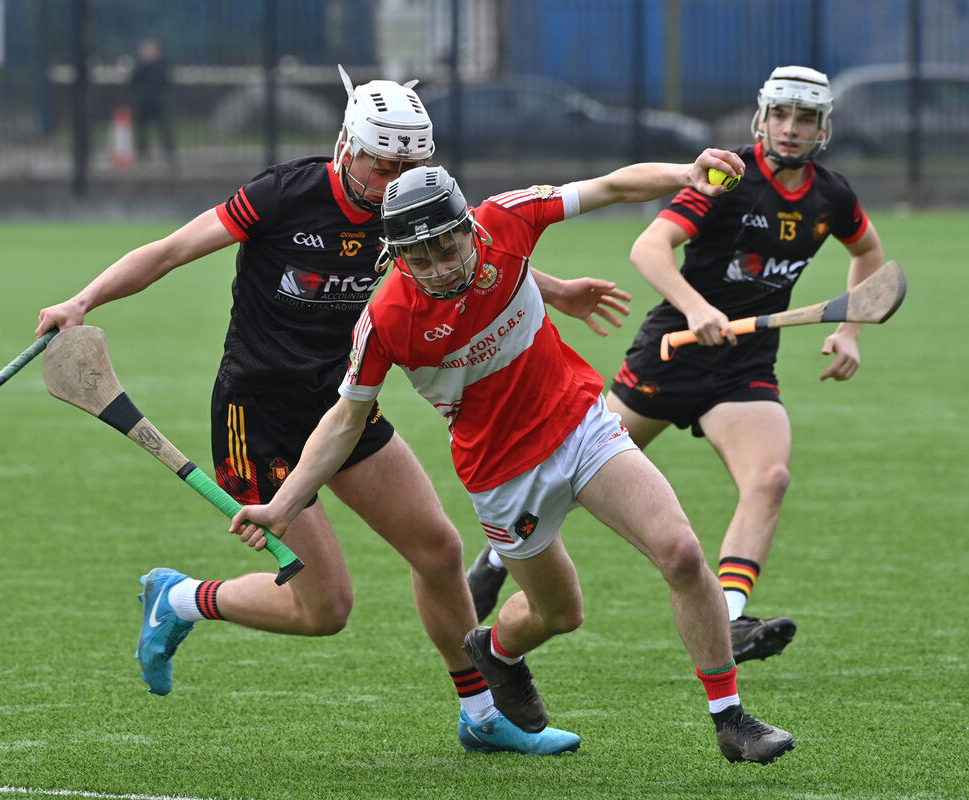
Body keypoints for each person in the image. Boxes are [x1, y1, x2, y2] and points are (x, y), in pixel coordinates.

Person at [36, 67, 628, 756]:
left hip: (341, 404)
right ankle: (180, 599)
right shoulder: (282, 195)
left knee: (438, 551)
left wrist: (553, 292)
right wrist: (84, 301)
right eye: (383, 165)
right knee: (326, 611)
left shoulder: (405, 208)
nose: (395, 181)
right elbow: (171, 251)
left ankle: (482, 716)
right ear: (347, 146)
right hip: (256, 418)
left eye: (410, 165)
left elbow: (467, 253)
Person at [231, 159, 797, 764]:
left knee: (681, 553)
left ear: (467, 229)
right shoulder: (387, 319)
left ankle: (730, 720)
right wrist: (285, 505)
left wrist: (687, 172)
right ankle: (497, 651)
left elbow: (607, 186)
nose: (439, 271)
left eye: (447, 250)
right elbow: (345, 419)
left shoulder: (506, 219)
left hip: (581, 425)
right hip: (503, 476)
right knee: (560, 613)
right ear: (395, 255)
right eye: (418, 261)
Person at [468, 66, 887, 666]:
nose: (790, 130)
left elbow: (868, 252)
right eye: (780, 115)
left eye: (805, 119)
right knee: (572, 479)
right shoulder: (728, 178)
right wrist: (696, 308)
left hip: (745, 365)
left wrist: (850, 332)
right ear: (761, 117)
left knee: (769, 479)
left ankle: (733, 618)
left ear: (825, 127)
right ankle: (493, 559)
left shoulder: (833, 197)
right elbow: (649, 246)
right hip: (672, 353)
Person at [130, 37, 176, 164]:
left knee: (164, 127)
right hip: (143, 101)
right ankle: (143, 154)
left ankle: (169, 153)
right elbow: (133, 80)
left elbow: (167, 79)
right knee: (142, 129)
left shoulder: (161, 64)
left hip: (158, 101)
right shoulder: (139, 65)